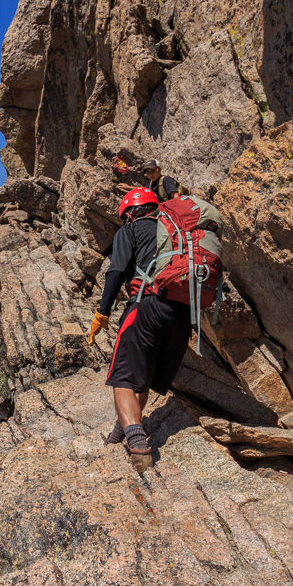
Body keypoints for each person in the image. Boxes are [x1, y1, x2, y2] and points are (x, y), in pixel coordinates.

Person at [86, 178, 221, 459]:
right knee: (143, 380)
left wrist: (103, 312)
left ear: (131, 212)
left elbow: (116, 271)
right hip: (182, 315)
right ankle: (122, 430)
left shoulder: (131, 230)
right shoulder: (178, 234)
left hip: (147, 306)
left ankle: (137, 445)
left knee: (124, 378)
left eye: (126, 216)